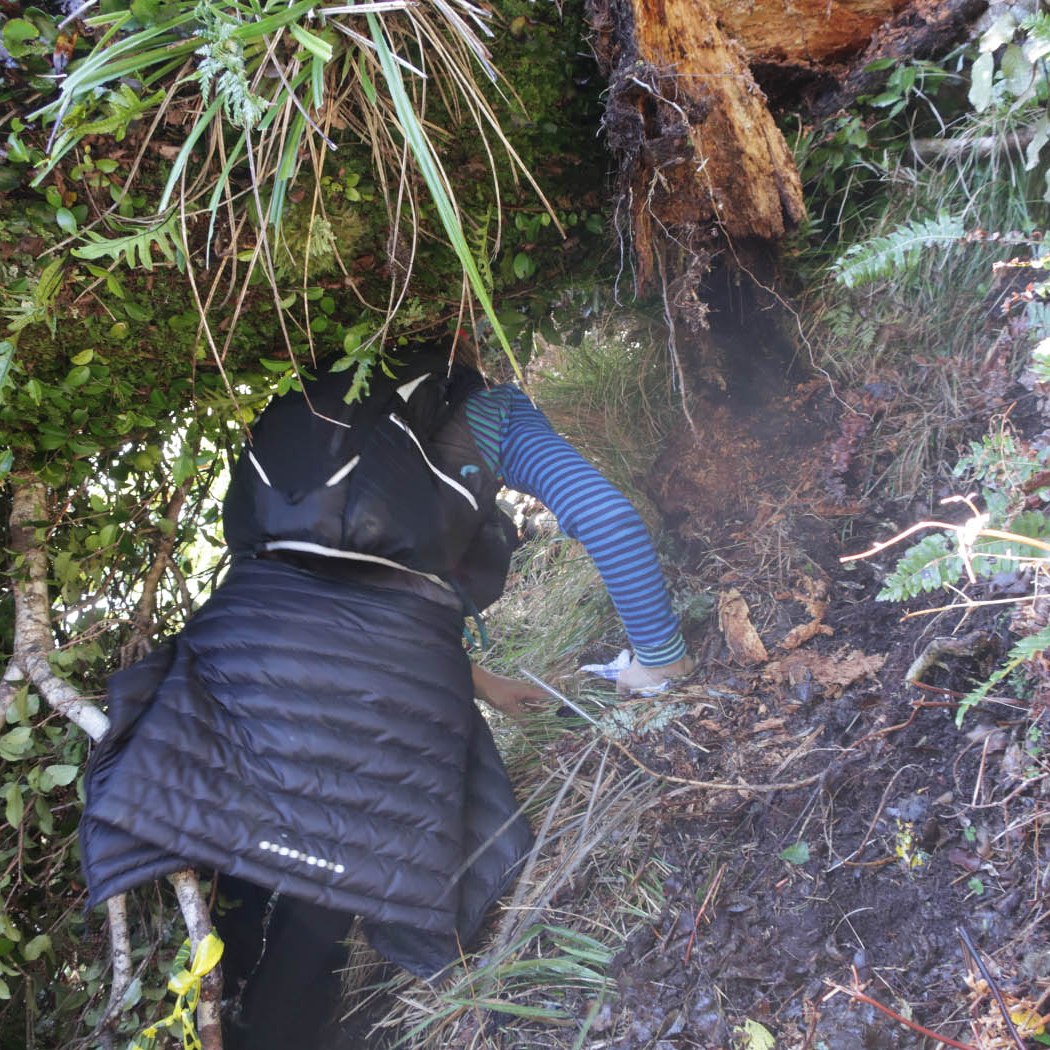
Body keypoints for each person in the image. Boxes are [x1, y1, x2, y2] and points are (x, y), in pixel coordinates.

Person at [79, 341, 692, 1049]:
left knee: (230, 858)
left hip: (235, 657)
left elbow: (331, 590)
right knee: (335, 877)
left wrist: (483, 684)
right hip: (384, 683)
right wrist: (660, 663)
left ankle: (206, 1020)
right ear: (466, 330)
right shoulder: (489, 410)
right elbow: (606, 518)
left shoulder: (310, 402)